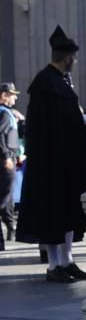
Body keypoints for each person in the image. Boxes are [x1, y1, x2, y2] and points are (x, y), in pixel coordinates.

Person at [16, 25, 86, 283]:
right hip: (51, 161)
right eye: (73, 57)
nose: (75, 61)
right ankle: (54, 265)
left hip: (66, 160)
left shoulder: (58, 82)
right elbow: (40, 128)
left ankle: (67, 261)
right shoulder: (44, 84)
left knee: (68, 212)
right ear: (67, 57)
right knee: (54, 214)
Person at [0, 82, 20, 250]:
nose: (15, 97)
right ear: (3, 95)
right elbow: (1, 136)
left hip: (9, 158)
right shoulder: (5, 114)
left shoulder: (6, 113)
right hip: (6, 161)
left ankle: (10, 230)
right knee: (4, 198)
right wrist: (7, 157)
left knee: (7, 199)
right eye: (12, 94)